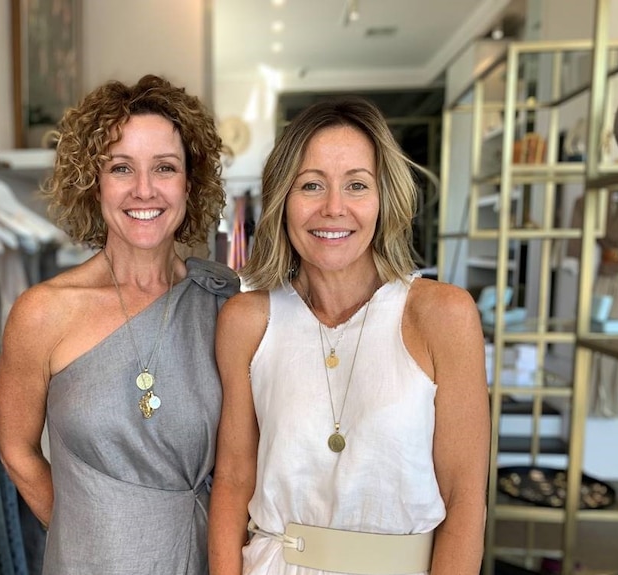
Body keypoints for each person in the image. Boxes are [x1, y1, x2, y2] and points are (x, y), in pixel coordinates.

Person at [208, 98, 489, 575]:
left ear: (384, 199)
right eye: (311, 185)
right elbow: (233, 480)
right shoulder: (247, 320)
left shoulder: (442, 315)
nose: (333, 208)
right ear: (282, 200)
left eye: (356, 185)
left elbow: (465, 499)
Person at [0, 74, 240, 575]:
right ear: (94, 181)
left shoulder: (222, 302)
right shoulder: (44, 312)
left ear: (189, 183)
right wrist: (87, 532)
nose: (144, 190)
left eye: (165, 168)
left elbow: (247, 462)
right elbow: (16, 451)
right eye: (121, 167)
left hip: (204, 558)